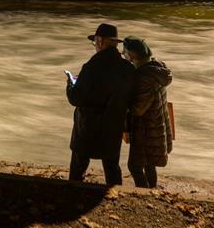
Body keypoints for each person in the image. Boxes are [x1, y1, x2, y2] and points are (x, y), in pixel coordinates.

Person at [66, 22, 134, 186]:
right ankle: (116, 192)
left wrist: (70, 83)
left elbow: (76, 98)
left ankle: (72, 190)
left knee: (78, 164)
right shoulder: (127, 68)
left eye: (95, 41)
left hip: (88, 125)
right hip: (113, 124)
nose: (95, 45)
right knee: (111, 166)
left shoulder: (91, 67)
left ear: (100, 41)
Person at [121, 36, 173, 189]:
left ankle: (144, 194)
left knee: (135, 167)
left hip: (146, 130)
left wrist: (124, 101)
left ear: (132, 55)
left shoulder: (143, 77)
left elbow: (138, 109)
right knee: (150, 165)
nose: (123, 54)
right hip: (157, 125)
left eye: (124, 52)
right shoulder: (157, 68)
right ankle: (152, 190)